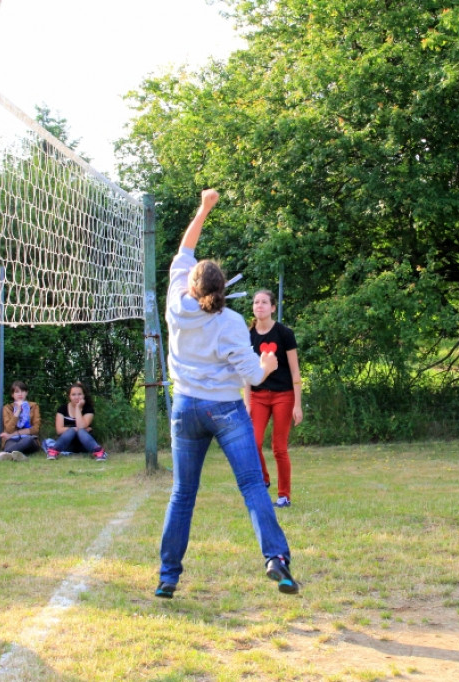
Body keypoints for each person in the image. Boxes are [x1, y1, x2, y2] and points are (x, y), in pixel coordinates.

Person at [156, 188, 299, 599]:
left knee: (182, 494)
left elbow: (186, 247)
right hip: (225, 410)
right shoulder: (234, 322)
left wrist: (204, 208)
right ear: (223, 289)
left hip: (186, 408)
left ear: (190, 284)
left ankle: (168, 577)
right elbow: (254, 378)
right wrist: (269, 366)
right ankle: (276, 559)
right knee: (253, 485)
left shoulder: (175, 304)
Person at [244, 289, 303, 508]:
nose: (259, 305)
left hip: (283, 396)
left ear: (272, 307)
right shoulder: (248, 336)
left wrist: (297, 404)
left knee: (279, 447)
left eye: (264, 302)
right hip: (259, 396)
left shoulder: (284, 334)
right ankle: (264, 478)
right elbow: (247, 372)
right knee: (254, 442)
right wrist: (247, 402)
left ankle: (284, 495)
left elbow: (295, 372)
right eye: (256, 302)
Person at [47, 382, 106, 461]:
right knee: (73, 430)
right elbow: (59, 430)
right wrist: (74, 429)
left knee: (81, 431)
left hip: (85, 444)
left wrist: (78, 408)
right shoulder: (62, 409)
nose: (76, 397)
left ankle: (99, 453)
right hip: (68, 444)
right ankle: (53, 452)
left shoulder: (88, 409)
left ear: (83, 395)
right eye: (73, 394)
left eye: (79, 394)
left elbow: (81, 426)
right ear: (69, 396)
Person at [0, 380, 41, 461]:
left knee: (28, 440)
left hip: (28, 438)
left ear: (26, 393)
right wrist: (17, 411)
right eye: (17, 392)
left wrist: (14, 434)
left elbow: (35, 429)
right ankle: (19, 455)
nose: (20, 394)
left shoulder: (33, 406)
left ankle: (6, 454)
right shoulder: (7, 408)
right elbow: (8, 429)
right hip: (12, 439)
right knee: (10, 444)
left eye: (23, 391)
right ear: (12, 394)